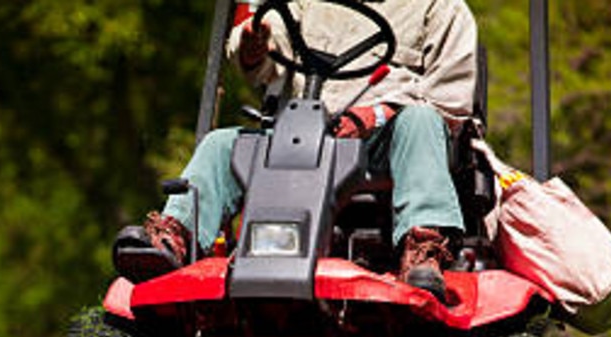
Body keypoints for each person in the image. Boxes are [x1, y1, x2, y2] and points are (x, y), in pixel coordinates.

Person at [129, 0, 478, 299]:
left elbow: (450, 99)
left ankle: (423, 250)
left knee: (420, 120)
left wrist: (377, 114)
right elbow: (270, 40)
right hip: (304, 129)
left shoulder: (439, 6)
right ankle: (174, 237)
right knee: (222, 144)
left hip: (388, 140)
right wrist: (254, 45)